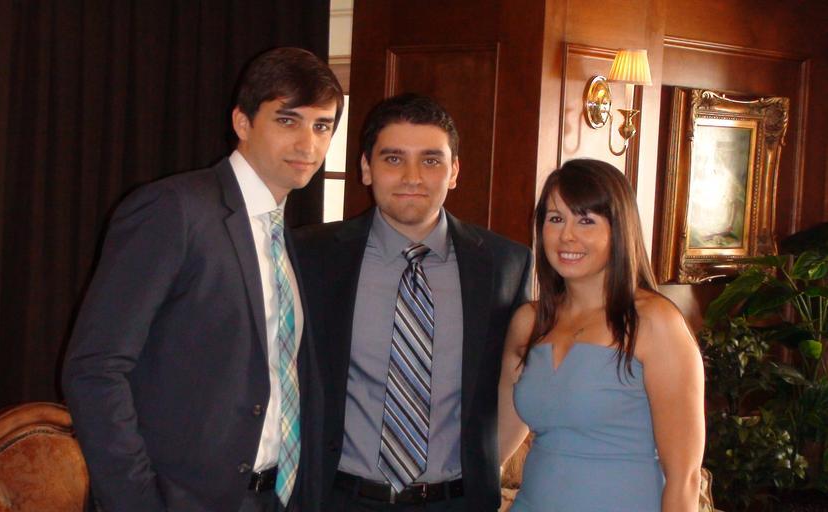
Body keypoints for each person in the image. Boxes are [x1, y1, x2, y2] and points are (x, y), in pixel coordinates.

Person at [62, 47, 343, 512]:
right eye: (287, 121)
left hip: (276, 497)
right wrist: (138, 503)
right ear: (242, 123)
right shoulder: (175, 210)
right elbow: (95, 368)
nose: (307, 145)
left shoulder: (284, 235)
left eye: (322, 126)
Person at [294, 93, 533, 511]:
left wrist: (483, 467)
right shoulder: (310, 256)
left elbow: (517, 384)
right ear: (366, 168)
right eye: (393, 159)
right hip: (339, 499)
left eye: (431, 160)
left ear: (453, 171)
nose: (412, 177)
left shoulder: (505, 265)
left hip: (455, 502)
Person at [498, 158, 705, 511]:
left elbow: (684, 478)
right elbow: (497, 446)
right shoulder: (528, 322)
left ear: (619, 230)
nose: (567, 235)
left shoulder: (654, 322)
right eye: (555, 219)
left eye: (586, 221)